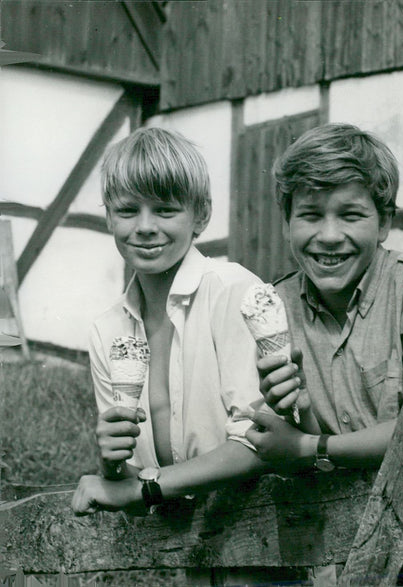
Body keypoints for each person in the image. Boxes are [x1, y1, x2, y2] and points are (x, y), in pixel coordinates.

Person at [72, 128, 269, 515]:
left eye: (165, 210)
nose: (145, 226)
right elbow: (128, 478)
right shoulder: (107, 330)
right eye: (128, 210)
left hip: (254, 527)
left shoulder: (231, 291)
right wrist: (110, 463)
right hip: (175, 550)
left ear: (202, 215)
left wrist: (141, 491)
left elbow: (259, 443)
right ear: (109, 216)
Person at [244, 123, 403, 471]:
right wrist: (300, 411)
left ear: (384, 222)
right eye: (310, 215)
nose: (328, 236)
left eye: (350, 215)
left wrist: (313, 446)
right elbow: (295, 445)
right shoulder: (277, 306)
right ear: (286, 223)